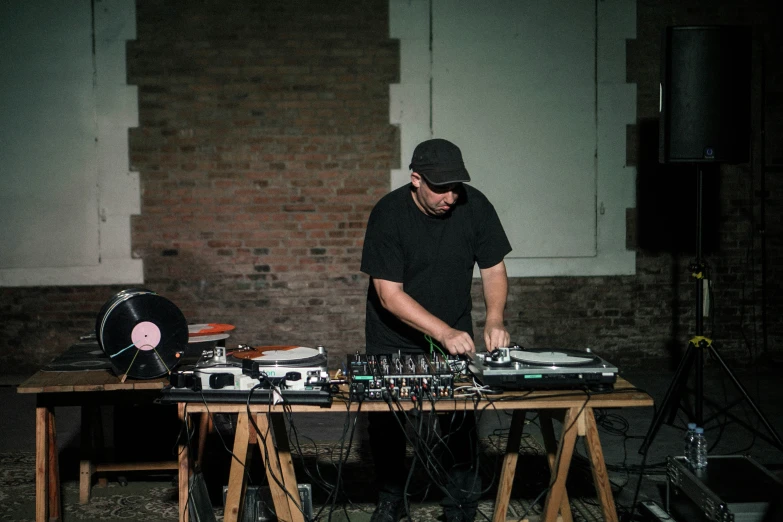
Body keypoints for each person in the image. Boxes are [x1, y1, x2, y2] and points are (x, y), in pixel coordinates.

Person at [360, 138, 512, 522]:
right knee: (388, 419)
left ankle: (460, 504)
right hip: (394, 335)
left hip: (454, 327)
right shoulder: (388, 214)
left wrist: (494, 318)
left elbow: (493, 268)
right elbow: (389, 295)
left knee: (460, 416)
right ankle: (392, 499)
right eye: (441, 188)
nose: (450, 197)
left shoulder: (475, 206)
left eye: (455, 187)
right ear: (416, 179)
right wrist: (441, 332)